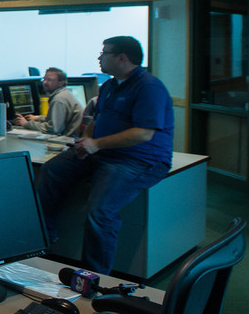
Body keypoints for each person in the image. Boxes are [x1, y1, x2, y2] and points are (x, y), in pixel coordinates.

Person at [34, 36, 174, 275]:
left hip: (139, 159)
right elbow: (97, 121)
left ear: (121, 58)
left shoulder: (148, 86)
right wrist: (85, 141)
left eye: (104, 53)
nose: (99, 57)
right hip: (102, 152)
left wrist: (96, 144)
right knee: (51, 170)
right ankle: (44, 238)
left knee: (100, 210)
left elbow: (143, 133)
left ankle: (94, 276)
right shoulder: (109, 86)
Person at [12, 67, 83, 136]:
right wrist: (37, 118)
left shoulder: (59, 99)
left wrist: (26, 124)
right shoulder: (64, 94)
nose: (45, 82)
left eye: (49, 80)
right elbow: (56, 118)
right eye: (44, 79)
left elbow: (53, 129)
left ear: (61, 83)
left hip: (66, 141)